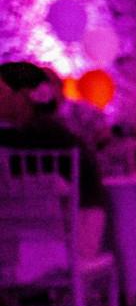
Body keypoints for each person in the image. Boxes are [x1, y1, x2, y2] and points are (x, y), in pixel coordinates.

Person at [0, 61, 109, 259]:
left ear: (23, 96)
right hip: (64, 238)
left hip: (58, 240)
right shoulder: (61, 137)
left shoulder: (27, 139)